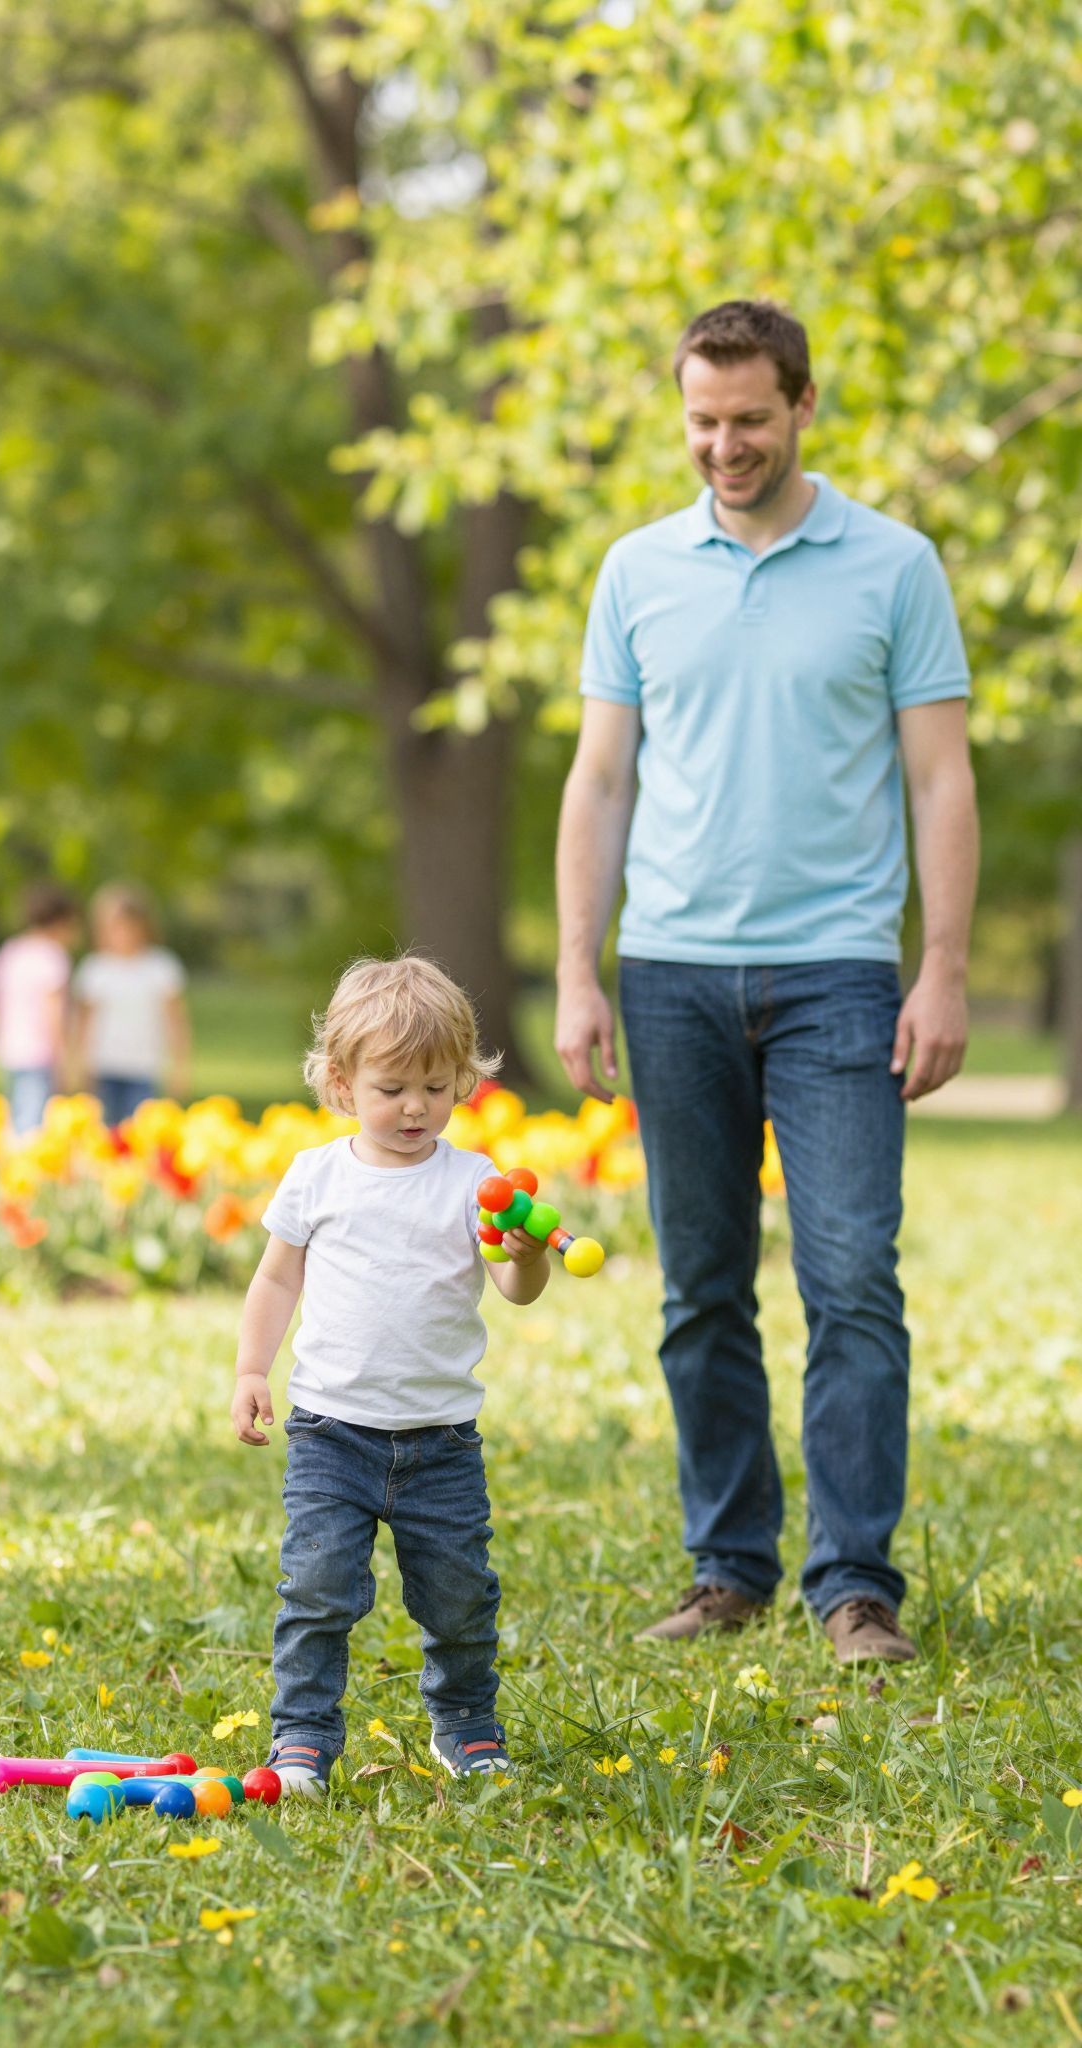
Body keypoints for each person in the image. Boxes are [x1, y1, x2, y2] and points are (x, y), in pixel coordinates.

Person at [555, 300, 978, 1665]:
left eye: (748, 418)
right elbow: (602, 779)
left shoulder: (895, 566)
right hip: (671, 972)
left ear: (802, 405)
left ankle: (855, 1584)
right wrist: (578, 970)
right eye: (701, 421)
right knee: (701, 1287)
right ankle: (727, 1567)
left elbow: (938, 777)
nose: (723, 446)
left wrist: (947, 968)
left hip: (841, 975)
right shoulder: (635, 570)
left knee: (853, 1275)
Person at [229, 955, 549, 1795]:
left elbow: (515, 1287)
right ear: (342, 1083)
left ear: (463, 1083)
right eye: (393, 1088)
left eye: (436, 1088)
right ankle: (301, 1737)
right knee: (319, 1588)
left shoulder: (475, 1183)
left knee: (458, 1596)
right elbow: (276, 1279)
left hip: (441, 1441)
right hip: (333, 1434)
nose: (416, 1108)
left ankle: (467, 1723)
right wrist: (251, 1368)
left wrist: (523, 1256)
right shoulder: (318, 1176)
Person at [70, 884, 191, 1123]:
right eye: (116, 927)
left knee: (139, 1131)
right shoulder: (96, 969)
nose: (124, 934)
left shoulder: (161, 967)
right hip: (103, 1065)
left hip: (143, 1066)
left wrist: (180, 1066)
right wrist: (78, 1064)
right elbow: (83, 1022)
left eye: (130, 926)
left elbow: (176, 1019)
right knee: (104, 1132)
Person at [0, 883, 81, 1133]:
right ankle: (26, 1165)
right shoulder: (52, 957)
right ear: (61, 922)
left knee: (17, 1110)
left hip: (11, 1048)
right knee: (35, 1119)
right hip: (41, 1051)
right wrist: (63, 1056)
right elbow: (54, 1012)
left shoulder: (10, 952)